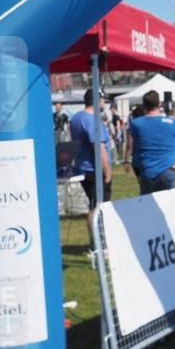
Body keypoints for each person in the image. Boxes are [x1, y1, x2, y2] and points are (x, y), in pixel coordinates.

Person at [69, 88, 112, 250]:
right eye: (103, 100)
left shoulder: (76, 118)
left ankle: (96, 242)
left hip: (83, 168)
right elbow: (99, 148)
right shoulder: (91, 120)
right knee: (99, 208)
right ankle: (99, 243)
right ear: (97, 100)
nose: (104, 103)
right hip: (95, 170)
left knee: (93, 206)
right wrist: (107, 172)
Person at [125, 90, 175, 195]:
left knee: (149, 207)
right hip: (169, 170)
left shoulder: (136, 124)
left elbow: (132, 144)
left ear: (144, 106)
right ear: (159, 104)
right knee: (170, 207)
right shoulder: (171, 122)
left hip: (148, 171)